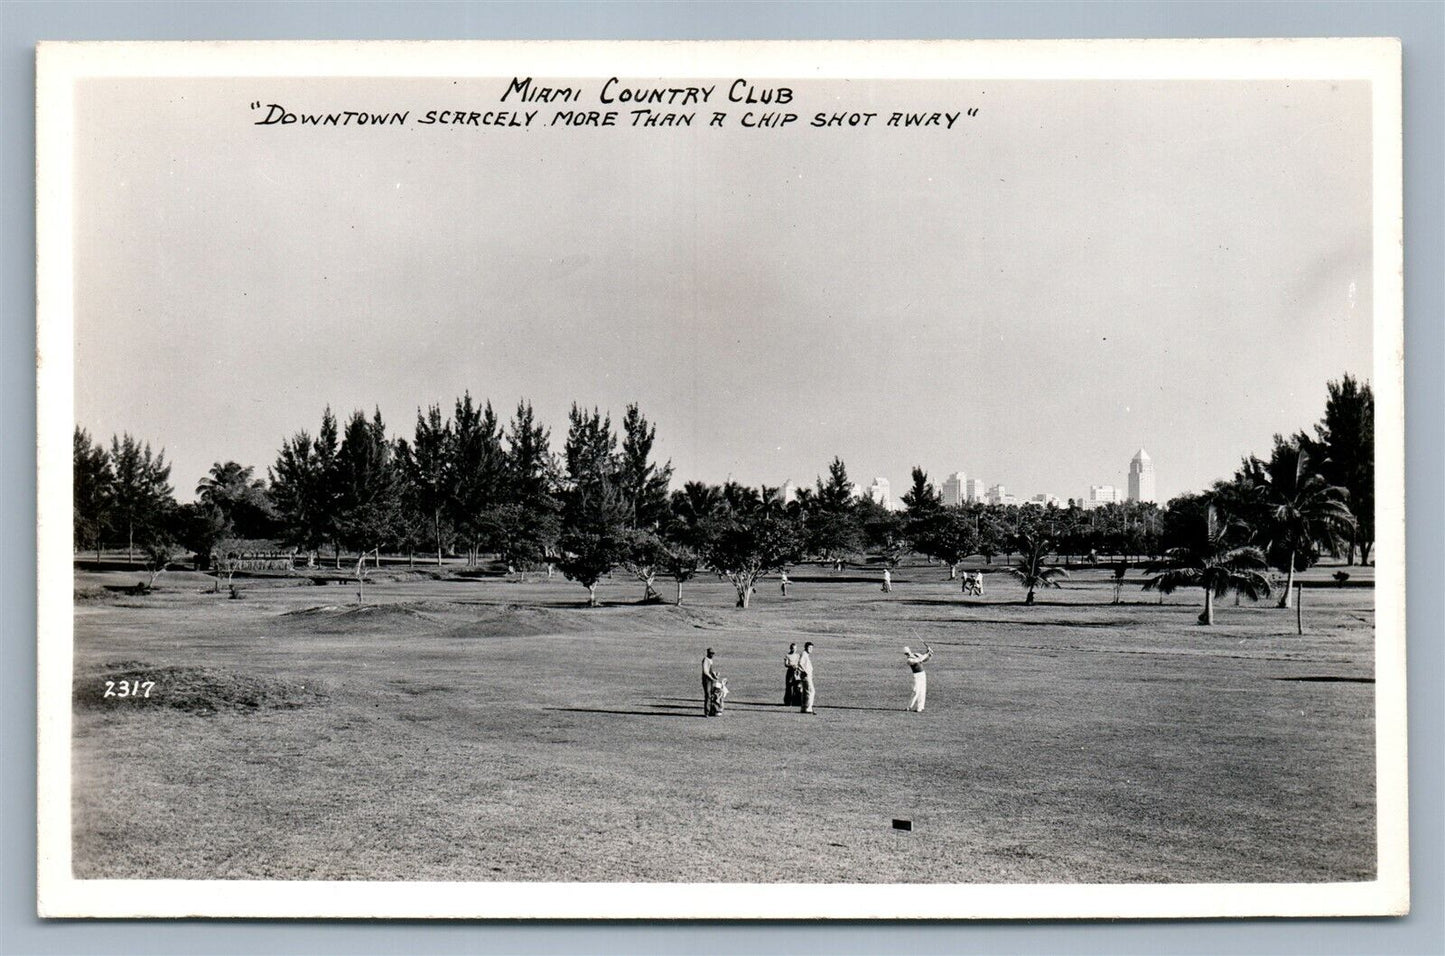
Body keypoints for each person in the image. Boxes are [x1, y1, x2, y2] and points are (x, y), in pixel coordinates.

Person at [903, 643, 933, 712]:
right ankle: (909, 707)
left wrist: (929, 654)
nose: (907, 654)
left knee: (922, 691)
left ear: (910, 651)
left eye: (908, 652)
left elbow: (924, 660)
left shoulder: (916, 654)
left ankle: (920, 708)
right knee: (916, 691)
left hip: (922, 674)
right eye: (906, 654)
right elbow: (919, 660)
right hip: (916, 676)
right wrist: (926, 653)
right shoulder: (909, 660)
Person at [701, 648, 723, 717]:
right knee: (708, 695)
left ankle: (711, 711)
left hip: (710, 680)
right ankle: (707, 712)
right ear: (708, 653)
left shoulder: (710, 660)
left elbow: (711, 670)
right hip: (706, 680)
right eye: (711, 653)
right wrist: (711, 677)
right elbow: (705, 671)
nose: (712, 655)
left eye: (713, 653)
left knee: (712, 695)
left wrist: (715, 675)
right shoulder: (705, 660)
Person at [797, 641, 816, 714]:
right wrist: (805, 671)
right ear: (806, 647)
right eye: (809, 647)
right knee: (811, 691)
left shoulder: (805, 655)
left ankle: (804, 707)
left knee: (806, 692)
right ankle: (808, 708)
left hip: (807, 676)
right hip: (806, 676)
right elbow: (800, 663)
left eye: (812, 648)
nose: (811, 649)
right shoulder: (804, 654)